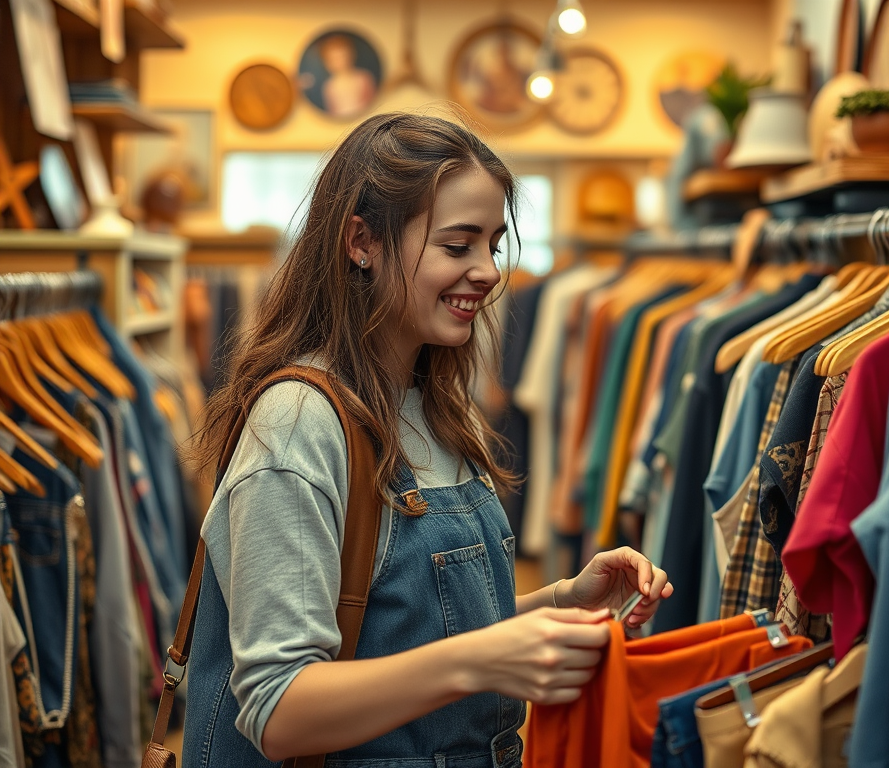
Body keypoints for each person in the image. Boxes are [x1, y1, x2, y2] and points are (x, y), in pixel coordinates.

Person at [180, 112, 673, 767]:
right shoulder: (299, 424)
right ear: (363, 241)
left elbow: (399, 624)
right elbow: (279, 708)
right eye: (457, 244)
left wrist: (557, 602)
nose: (488, 271)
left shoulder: (427, 402)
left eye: (493, 245)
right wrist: (481, 660)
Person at [318, 34, 376, 118]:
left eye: (343, 56)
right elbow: (332, 112)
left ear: (351, 55)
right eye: (334, 59)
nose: (340, 62)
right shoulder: (329, 86)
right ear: (328, 63)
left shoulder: (363, 77)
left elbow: (373, 104)